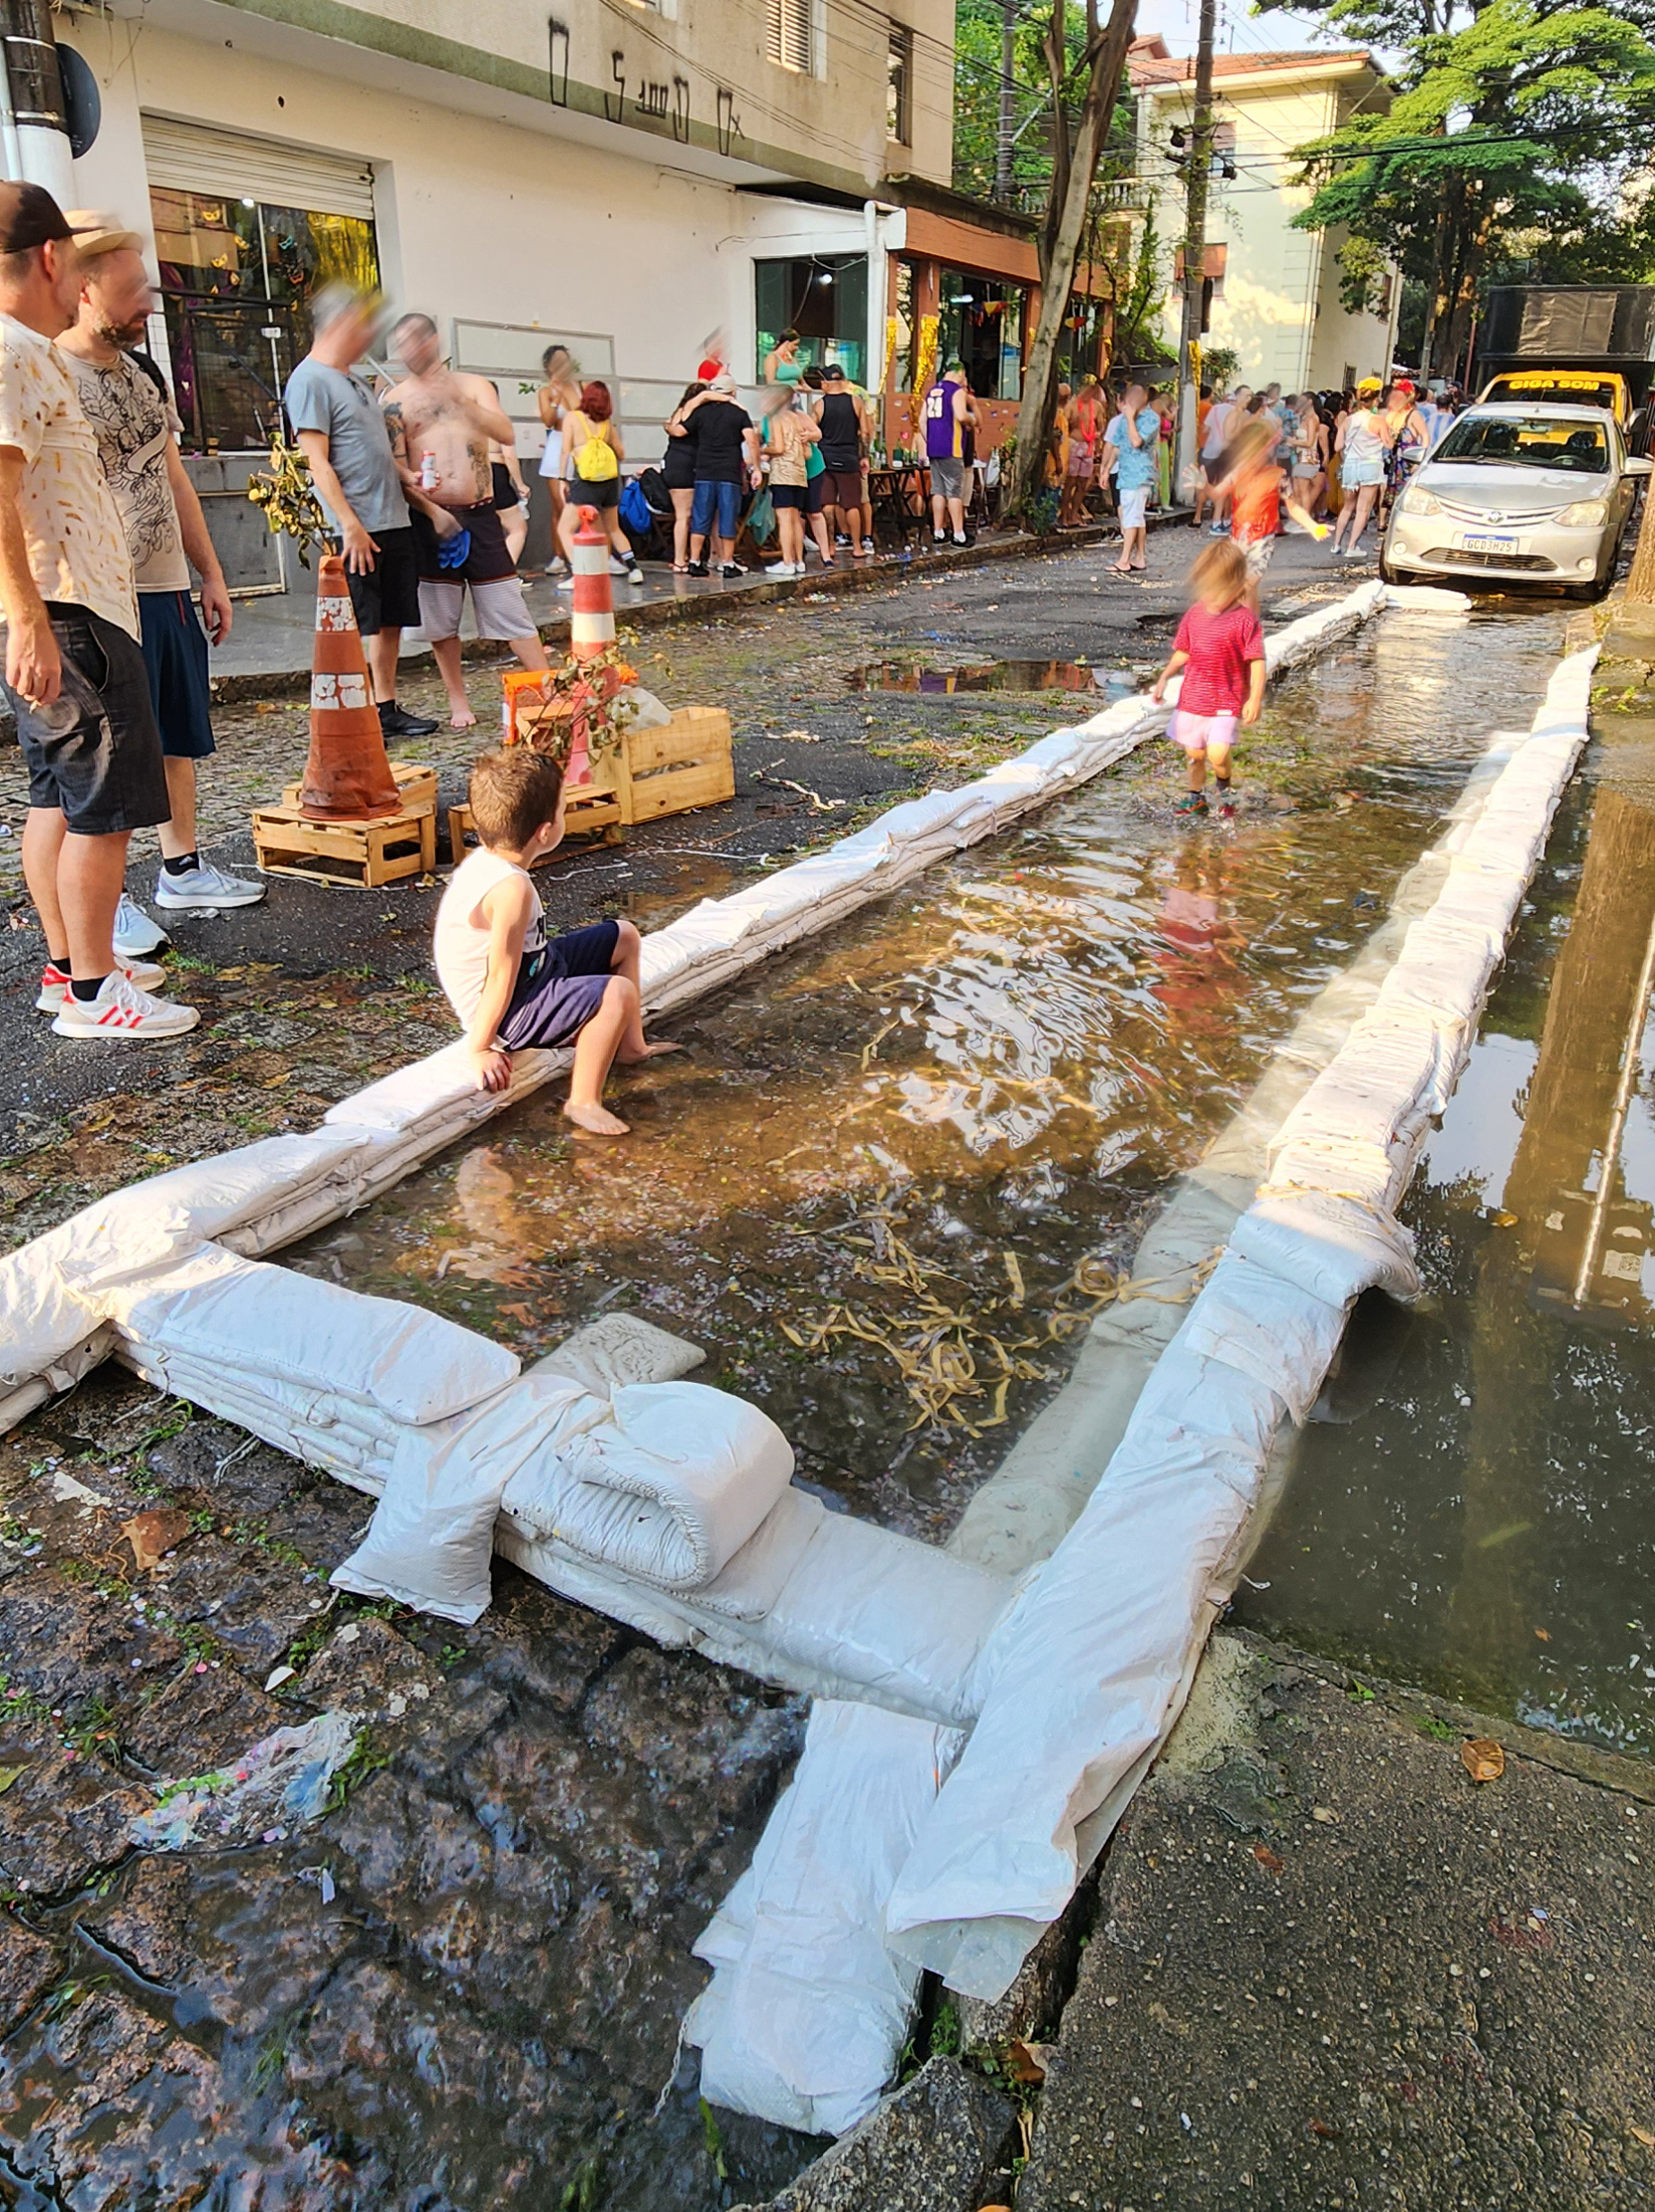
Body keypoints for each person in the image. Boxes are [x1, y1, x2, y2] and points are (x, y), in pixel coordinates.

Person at [0, 183, 198, 1039]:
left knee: (58, 800)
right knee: (104, 807)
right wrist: (32, 621)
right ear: (52, 260)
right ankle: (91, 991)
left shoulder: (19, 348)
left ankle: (71, 966)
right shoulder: (15, 350)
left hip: (60, 611)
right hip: (70, 612)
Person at [56, 209, 264, 945]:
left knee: (178, 731)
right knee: (109, 757)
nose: (149, 302)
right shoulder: (49, 372)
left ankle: (181, 869)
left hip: (166, 584)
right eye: (133, 288)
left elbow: (173, 474)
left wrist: (210, 573)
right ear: (84, 287)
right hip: (100, 600)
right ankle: (102, 901)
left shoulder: (141, 374)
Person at [433, 746, 681, 1132]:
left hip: (534, 970)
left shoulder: (488, 860)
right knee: (615, 994)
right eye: (564, 810)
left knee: (625, 936)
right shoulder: (509, 890)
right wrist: (481, 1047)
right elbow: (500, 975)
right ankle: (583, 1101)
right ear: (546, 832)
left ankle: (631, 1048)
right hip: (509, 1010)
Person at [284, 285, 443, 747]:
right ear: (339, 325)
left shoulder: (354, 380)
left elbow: (370, 450)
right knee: (357, 622)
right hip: (357, 526)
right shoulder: (311, 379)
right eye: (362, 325)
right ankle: (354, 710)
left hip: (391, 517)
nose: (369, 335)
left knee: (391, 618)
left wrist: (405, 478)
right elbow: (318, 461)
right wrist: (348, 524)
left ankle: (385, 706)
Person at [382, 311, 549, 729]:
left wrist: (461, 404)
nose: (411, 350)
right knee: (441, 619)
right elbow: (397, 470)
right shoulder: (394, 401)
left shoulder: (473, 386)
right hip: (431, 517)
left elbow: (505, 432)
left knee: (509, 606)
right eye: (403, 344)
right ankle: (458, 701)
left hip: (481, 512)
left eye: (419, 341)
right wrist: (433, 512)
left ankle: (547, 690)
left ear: (434, 342)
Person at [1150, 537, 1265, 819]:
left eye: (1219, 588)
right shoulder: (1194, 616)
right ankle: (1195, 796)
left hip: (1225, 701)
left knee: (1216, 752)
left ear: (1238, 586)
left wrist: (1255, 698)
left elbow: (1258, 662)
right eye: (1207, 587)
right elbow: (1183, 651)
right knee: (1195, 754)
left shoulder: (1244, 621)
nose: (1211, 595)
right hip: (1193, 701)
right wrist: (1165, 677)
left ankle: (1224, 785)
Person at [1211, 416, 1328, 608]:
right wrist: (1204, 485)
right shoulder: (1238, 472)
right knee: (1248, 592)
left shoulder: (1277, 475)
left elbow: (1293, 507)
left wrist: (1313, 526)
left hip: (1262, 540)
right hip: (1238, 539)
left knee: (1247, 586)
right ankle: (1252, 630)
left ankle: (1245, 631)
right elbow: (1216, 493)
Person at [555, 381, 642, 586]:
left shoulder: (572, 418)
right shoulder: (607, 424)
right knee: (613, 528)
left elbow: (565, 451)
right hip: (610, 482)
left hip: (586, 482)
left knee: (564, 529)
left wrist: (562, 479)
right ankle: (634, 569)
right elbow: (621, 453)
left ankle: (580, 576)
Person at [682, 373, 760, 578]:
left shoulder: (701, 412)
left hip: (704, 470)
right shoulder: (739, 412)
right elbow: (751, 440)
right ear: (732, 392)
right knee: (727, 517)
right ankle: (727, 563)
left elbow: (682, 427)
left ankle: (694, 561)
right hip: (729, 472)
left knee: (700, 517)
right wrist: (757, 468)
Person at [812, 364, 871, 557]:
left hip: (826, 459)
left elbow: (813, 434)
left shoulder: (820, 405)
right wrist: (864, 457)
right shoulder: (856, 402)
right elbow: (864, 433)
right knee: (852, 504)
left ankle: (830, 546)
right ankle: (857, 547)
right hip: (849, 458)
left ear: (827, 383)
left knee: (827, 504)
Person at [761, 384, 819, 576]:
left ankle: (787, 562)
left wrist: (762, 449)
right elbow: (808, 451)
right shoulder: (798, 419)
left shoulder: (776, 418)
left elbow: (778, 447)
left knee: (784, 520)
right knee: (795, 519)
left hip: (783, 474)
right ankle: (798, 560)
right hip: (800, 474)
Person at [1329, 382, 1390, 558]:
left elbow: (1338, 445)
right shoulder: (1378, 421)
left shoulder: (1348, 420)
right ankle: (1352, 546)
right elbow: (1389, 444)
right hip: (1370, 464)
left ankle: (1336, 544)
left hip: (1351, 465)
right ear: (1374, 401)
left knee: (1347, 507)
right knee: (1363, 509)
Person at [1103, 382, 1159, 573]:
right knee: (1136, 517)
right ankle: (1139, 557)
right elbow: (1117, 446)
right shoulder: (1122, 421)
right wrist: (1106, 469)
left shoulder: (1151, 419)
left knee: (1130, 517)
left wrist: (1129, 419)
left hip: (1139, 474)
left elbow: (1136, 442)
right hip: (1125, 473)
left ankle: (1124, 559)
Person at [535, 343, 579, 574]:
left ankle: (582, 552)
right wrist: (556, 397)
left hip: (579, 448)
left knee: (581, 503)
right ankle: (560, 555)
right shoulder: (544, 392)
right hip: (557, 446)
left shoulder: (579, 386)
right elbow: (548, 420)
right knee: (559, 505)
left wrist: (568, 392)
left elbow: (581, 415)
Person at [922, 356, 973, 544]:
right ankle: (959, 534)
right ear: (960, 374)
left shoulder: (932, 391)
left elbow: (921, 420)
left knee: (937, 489)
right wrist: (972, 420)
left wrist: (930, 439)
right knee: (954, 491)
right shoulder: (956, 391)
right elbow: (961, 415)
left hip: (934, 448)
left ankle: (938, 531)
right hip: (951, 448)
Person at [661, 378, 707, 571]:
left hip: (671, 464)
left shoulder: (677, 413)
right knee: (684, 516)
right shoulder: (695, 415)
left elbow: (671, 428)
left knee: (681, 516)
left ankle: (683, 556)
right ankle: (680, 559)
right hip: (687, 467)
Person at [1060, 373, 1102, 528]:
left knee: (1083, 484)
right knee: (1070, 482)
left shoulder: (1097, 406)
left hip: (1088, 446)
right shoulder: (1071, 405)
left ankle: (1074, 515)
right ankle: (1064, 515)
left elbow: (1101, 426)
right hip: (1073, 444)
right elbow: (1064, 427)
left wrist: (1098, 435)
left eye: (1092, 390)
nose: (1089, 393)